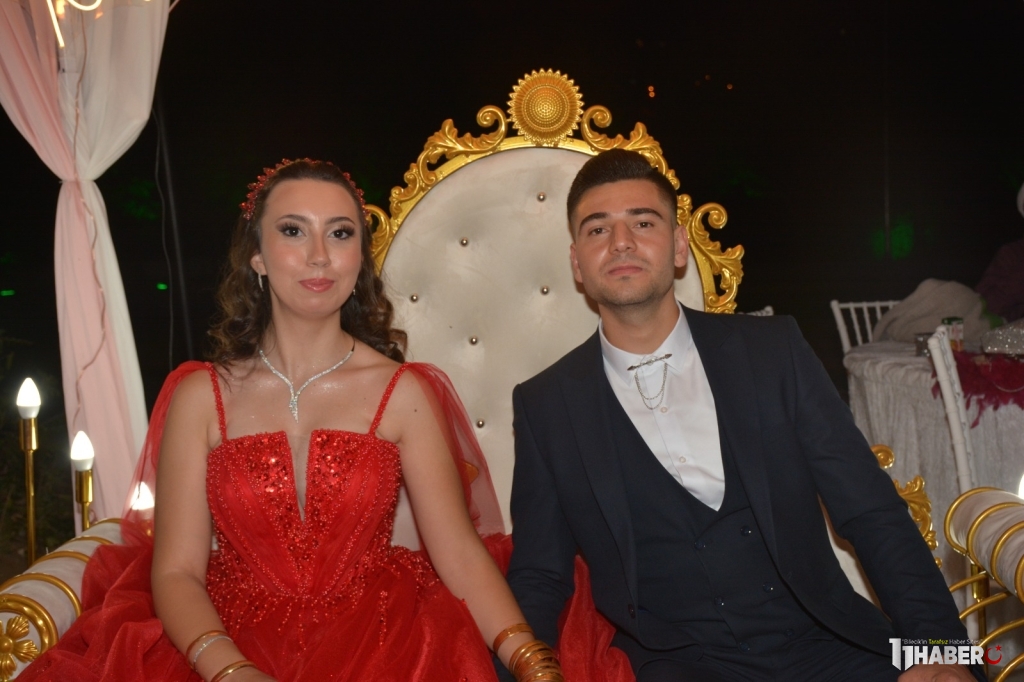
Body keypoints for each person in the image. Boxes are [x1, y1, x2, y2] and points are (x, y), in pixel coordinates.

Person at [22, 159, 562, 682]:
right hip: (220, 641)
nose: (319, 256)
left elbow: (459, 554)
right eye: (293, 231)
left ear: (359, 258)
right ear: (257, 256)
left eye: (340, 234)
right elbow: (176, 571)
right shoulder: (201, 396)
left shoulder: (403, 393)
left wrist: (530, 659)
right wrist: (231, 670)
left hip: (386, 640)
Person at [501, 149, 981, 682]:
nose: (621, 242)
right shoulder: (545, 406)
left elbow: (871, 511)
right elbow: (540, 575)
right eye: (598, 229)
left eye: (643, 222)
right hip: (674, 666)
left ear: (678, 246)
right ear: (577, 263)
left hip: (830, 647)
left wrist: (939, 650)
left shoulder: (774, 352)